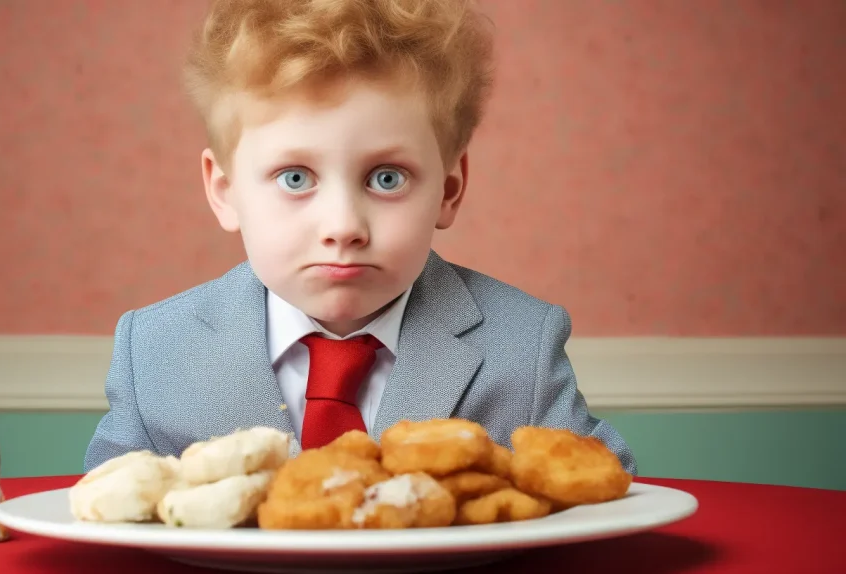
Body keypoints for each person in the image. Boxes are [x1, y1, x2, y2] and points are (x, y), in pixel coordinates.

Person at [84, 0, 637, 475]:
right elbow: (105, 521)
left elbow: (611, 498)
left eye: (386, 178)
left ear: (448, 190)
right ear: (225, 191)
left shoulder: (521, 345)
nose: (344, 226)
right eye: (295, 178)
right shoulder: (156, 350)